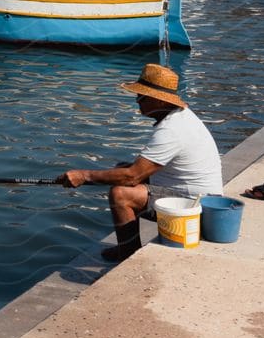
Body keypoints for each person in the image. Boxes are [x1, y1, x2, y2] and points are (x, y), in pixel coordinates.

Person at [58, 63, 223, 262]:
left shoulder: (172, 130)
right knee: (121, 168)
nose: (137, 100)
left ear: (160, 101)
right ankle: (127, 248)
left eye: (142, 96)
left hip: (195, 208)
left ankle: (128, 256)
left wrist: (84, 175)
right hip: (194, 195)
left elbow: (132, 176)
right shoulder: (180, 118)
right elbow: (136, 171)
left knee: (121, 194)